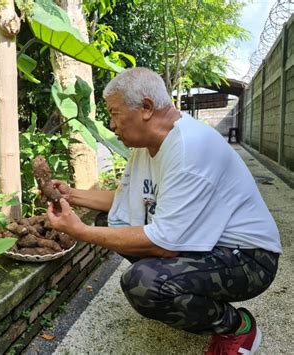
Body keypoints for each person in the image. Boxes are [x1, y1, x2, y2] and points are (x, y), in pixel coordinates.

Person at [46, 67, 281, 355]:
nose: (112, 124)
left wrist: (80, 232)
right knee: (109, 221)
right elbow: (123, 200)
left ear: (145, 107)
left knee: (144, 284)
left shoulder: (190, 148)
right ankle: (183, 294)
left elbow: (163, 244)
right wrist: (71, 194)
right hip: (210, 244)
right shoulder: (146, 147)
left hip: (248, 258)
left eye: (114, 113)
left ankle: (237, 327)